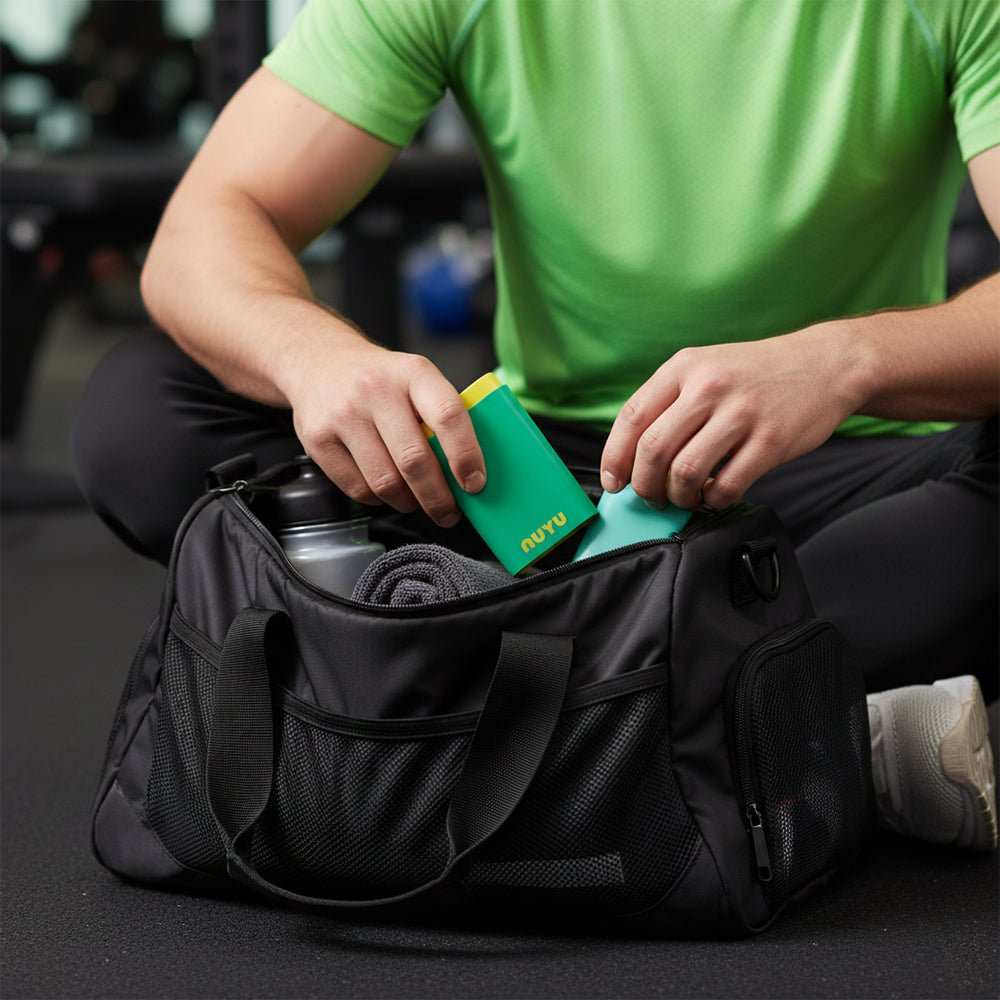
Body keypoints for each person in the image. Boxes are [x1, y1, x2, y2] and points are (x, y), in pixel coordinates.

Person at [73, 0, 998, 850]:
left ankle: (404, 707)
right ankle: (782, 729)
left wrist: (843, 362)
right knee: (142, 415)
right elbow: (208, 222)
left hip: (828, 484)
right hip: (538, 497)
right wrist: (315, 359)